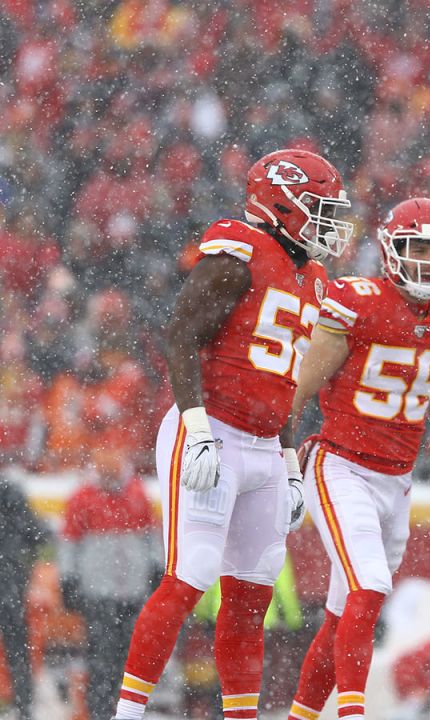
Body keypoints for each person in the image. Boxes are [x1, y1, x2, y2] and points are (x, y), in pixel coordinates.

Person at [113, 148, 353, 720]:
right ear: (279, 204)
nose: (327, 223)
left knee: (253, 595)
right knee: (190, 575)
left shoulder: (314, 278)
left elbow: (286, 380)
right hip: (212, 429)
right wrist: (195, 427)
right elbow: (180, 335)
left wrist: (291, 462)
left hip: (266, 446)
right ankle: (127, 713)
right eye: (317, 209)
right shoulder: (239, 251)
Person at [284, 198, 430, 720]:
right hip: (340, 463)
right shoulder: (356, 302)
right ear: (391, 251)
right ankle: (352, 713)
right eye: (420, 250)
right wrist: (284, 463)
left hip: (398, 480)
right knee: (368, 588)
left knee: (344, 614)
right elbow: (297, 395)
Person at [60, 449, 163, 719]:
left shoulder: (136, 494)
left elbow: (150, 537)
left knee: (130, 656)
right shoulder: (83, 498)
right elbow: (69, 543)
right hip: (98, 592)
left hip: (132, 589)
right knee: (103, 657)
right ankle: (102, 709)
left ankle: (125, 708)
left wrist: (156, 568)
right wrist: (68, 579)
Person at [0, 468, 51, 720]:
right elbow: (38, 534)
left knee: (17, 648)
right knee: (17, 649)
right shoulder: (13, 495)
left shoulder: (12, 495)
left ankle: (21, 704)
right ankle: (23, 705)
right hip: (10, 585)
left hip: (10, 584)